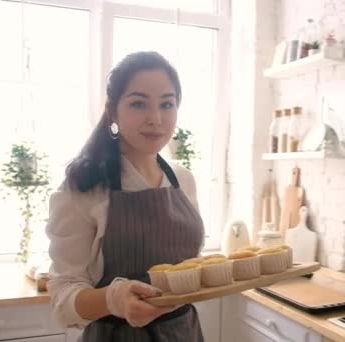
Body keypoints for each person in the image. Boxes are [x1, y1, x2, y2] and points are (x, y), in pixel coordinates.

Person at [46, 51, 205, 341]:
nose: (155, 119)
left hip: (184, 332)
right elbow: (62, 297)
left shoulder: (183, 180)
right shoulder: (83, 187)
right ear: (113, 111)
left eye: (166, 104)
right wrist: (113, 299)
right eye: (138, 103)